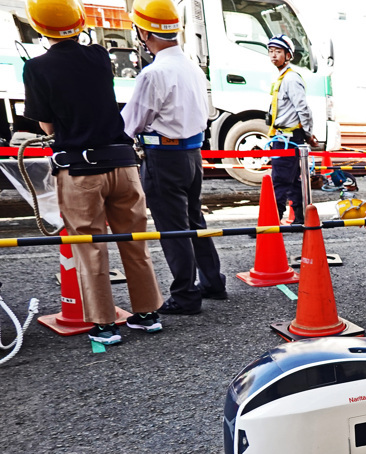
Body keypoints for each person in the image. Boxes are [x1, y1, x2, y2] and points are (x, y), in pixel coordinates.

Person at [22, 0, 163, 345]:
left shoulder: (36, 68)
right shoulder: (99, 55)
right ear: (79, 21)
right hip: (123, 164)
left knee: (90, 248)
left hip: (80, 170)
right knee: (135, 242)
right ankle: (147, 315)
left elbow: (47, 125)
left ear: (39, 27)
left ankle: (105, 325)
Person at [121, 0, 226, 316]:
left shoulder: (153, 73)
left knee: (173, 229)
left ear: (144, 32)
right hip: (192, 154)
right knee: (194, 221)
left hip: (163, 157)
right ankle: (213, 282)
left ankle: (185, 295)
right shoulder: (192, 67)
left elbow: (130, 123)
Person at [266, 34, 317, 223]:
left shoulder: (291, 79)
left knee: (280, 180)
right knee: (294, 179)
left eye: (278, 52)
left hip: (289, 139)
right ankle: (300, 219)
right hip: (283, 137)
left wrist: (308, 134)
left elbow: (303, 109)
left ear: (288, 55)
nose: (273, 55)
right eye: (271, 51)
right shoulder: (281, 77)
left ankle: (272, 221)